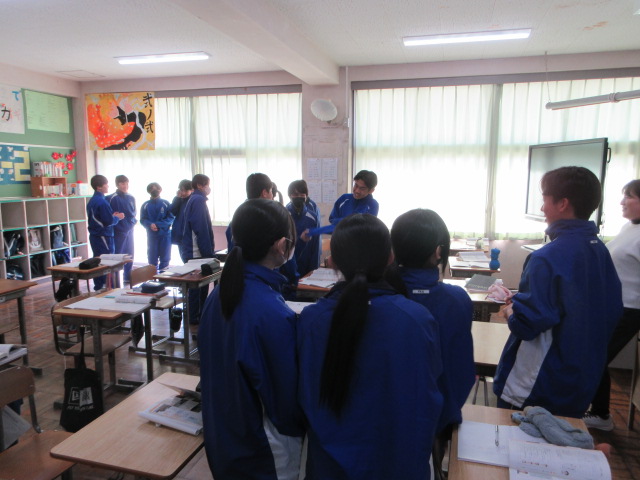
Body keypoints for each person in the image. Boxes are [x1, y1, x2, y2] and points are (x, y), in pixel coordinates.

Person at [297, 214, 443, 480]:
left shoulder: (312, 320)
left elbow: (303, 396)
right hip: (398, 464)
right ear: (391, 257)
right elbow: (429, 395)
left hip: (330, 466)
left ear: (332, 262)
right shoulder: (417, 320)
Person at [493, 166, 623, 418]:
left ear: (562, 204)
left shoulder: (546, 257)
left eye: (544, 199)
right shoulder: (599, 250)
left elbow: (526, 326)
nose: (542, 208)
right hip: (580, 380)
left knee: (517, 438)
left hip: (538, 384)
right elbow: (594, 307)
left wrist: (510, 310)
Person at [198, 199, 304, 480]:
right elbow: (284, 402)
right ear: (281, 246)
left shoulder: (219, 294)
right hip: (263, 451)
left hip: (225, 438)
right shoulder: (269, 311)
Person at [388, 208, 475, 438]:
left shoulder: (382, 295)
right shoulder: (457, 300)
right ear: (438, 251)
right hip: (440, 418)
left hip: (390, 418)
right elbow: (462, 372)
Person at [583, 179, 640, 430]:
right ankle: (599, 411)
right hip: (612, 304)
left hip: (630, 308)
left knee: (596, 356)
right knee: (594, 356)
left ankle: (601, 415)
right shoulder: (630, 227)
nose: (622, 202)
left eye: (629, 196)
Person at [301, 169, 378, 240]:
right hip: (339, 243)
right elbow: (333, 222)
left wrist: (314, 231)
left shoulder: (372, 205)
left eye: (362, 188)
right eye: (356, 185)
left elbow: (357, 228)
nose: (357, 191)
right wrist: (311, 232)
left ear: (371, 190)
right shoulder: (344, 199)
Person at [180, 174, 215, 325]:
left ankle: (199, 315)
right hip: (196, 252)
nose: (209, 188)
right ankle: (195, 317)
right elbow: (201, 230)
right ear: (200, 185)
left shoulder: (195, 199)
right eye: (207, 184)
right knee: (197, 286)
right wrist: (208, 254)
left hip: (195, 250)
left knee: (201, 286)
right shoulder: (198, 200)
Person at [86, 174, 124, 290]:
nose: (108, 186)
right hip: (103, 235)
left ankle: (99, 286)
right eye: (106, 184)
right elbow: (108, 221)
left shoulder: (93, 200)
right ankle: (105, 287)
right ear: (99, 187)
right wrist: (118, 217)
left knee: (98, 260)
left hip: (96, 235)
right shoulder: (102, 202)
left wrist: (112, 216)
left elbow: (101, 217)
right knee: (106, 261)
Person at [225, 172, 274, 250]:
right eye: (271, 191)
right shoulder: (264, 217)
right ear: (264, 193)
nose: (272, 196)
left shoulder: (239, 213)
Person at [286, 180, 321, 277]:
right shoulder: (284, 215)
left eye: (302, 194)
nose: (299, 197)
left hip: (307, 266)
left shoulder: (312, 217)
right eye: (295, 194)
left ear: (306, 196)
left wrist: (314, 269)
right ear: (289, 196)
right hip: (288, 267)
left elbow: (316, 245)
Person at [107, 174, 137, 283]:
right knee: (118, 255)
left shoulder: (131, 197)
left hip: (130, 230)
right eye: (123, 184)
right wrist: (120, 227)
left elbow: (133, 214)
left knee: (130, 253)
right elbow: (110, 216)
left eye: (127, 183)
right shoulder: (111, 198)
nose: (125, 186)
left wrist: (131, 224)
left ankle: (127, 277)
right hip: (118, 231)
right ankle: (115, 280)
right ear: (117, 184)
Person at [140, 182, 175, 272]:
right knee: (152, 259)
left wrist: (158, 224)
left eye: (156, 188)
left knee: (165, 259)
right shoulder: (145, 205)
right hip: (152, 236)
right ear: (149, 191)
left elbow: (171, 218)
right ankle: (153, 279)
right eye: (152, 189)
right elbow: (142, 219)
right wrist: (150, 225)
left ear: (160, 190)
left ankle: (163, 278)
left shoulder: (166, 203)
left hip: (165, 235)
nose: (154, 190)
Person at [170, 179, 193, 248]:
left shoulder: (193, 201)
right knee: (182, 253)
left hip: (189, 236)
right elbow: (172, 211)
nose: (183, 193)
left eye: (186, 191)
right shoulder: (179, 200)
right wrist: (177, 198)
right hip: (179, 235)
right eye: (181, 190)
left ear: (192, 190)